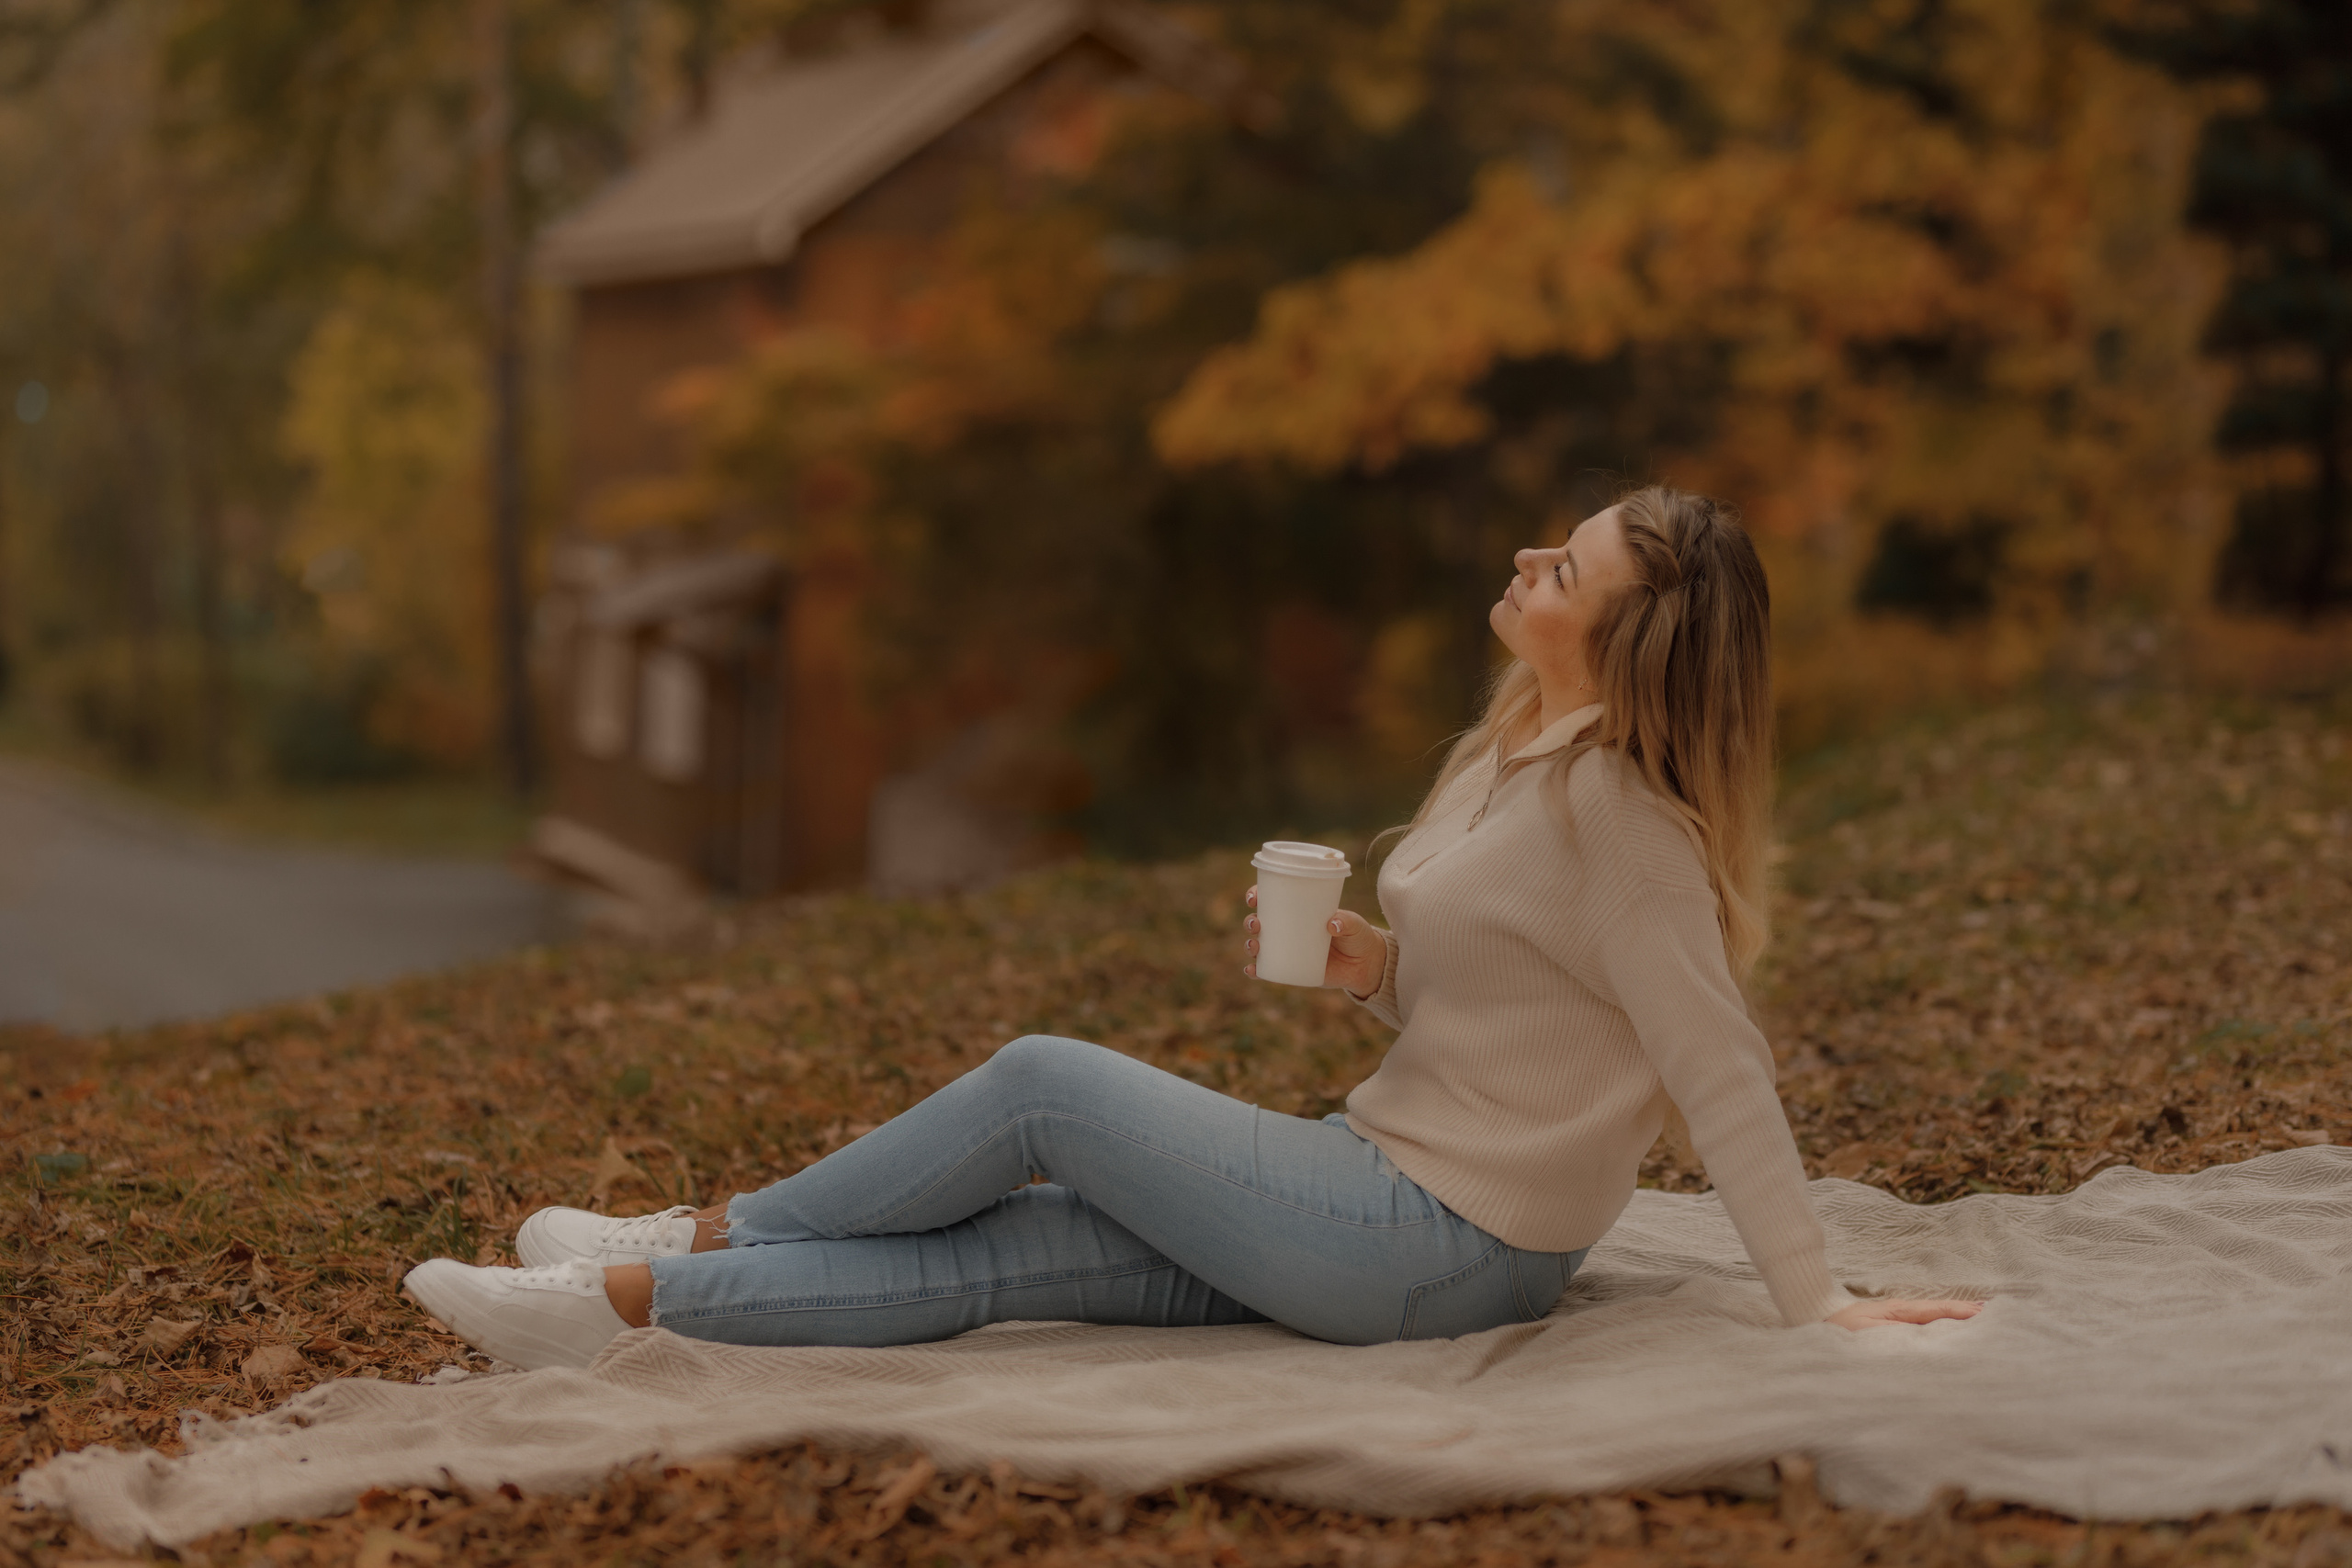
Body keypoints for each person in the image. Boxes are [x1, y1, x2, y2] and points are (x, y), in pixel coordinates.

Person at [404, 486, 1981, 1370]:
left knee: (1045, 1084)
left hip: (1442, 1242)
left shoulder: (1623, 822)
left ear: (1629, 638)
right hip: (1388, 1198)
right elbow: (1529, 1009)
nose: (1526, 559)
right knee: (1010, 1254)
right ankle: (616, 1315)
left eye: (1564, 566)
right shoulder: (1520, 755)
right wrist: (1375, 972)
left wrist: (1815, 1297)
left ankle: (700, 1234)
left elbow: (1716, 1067)